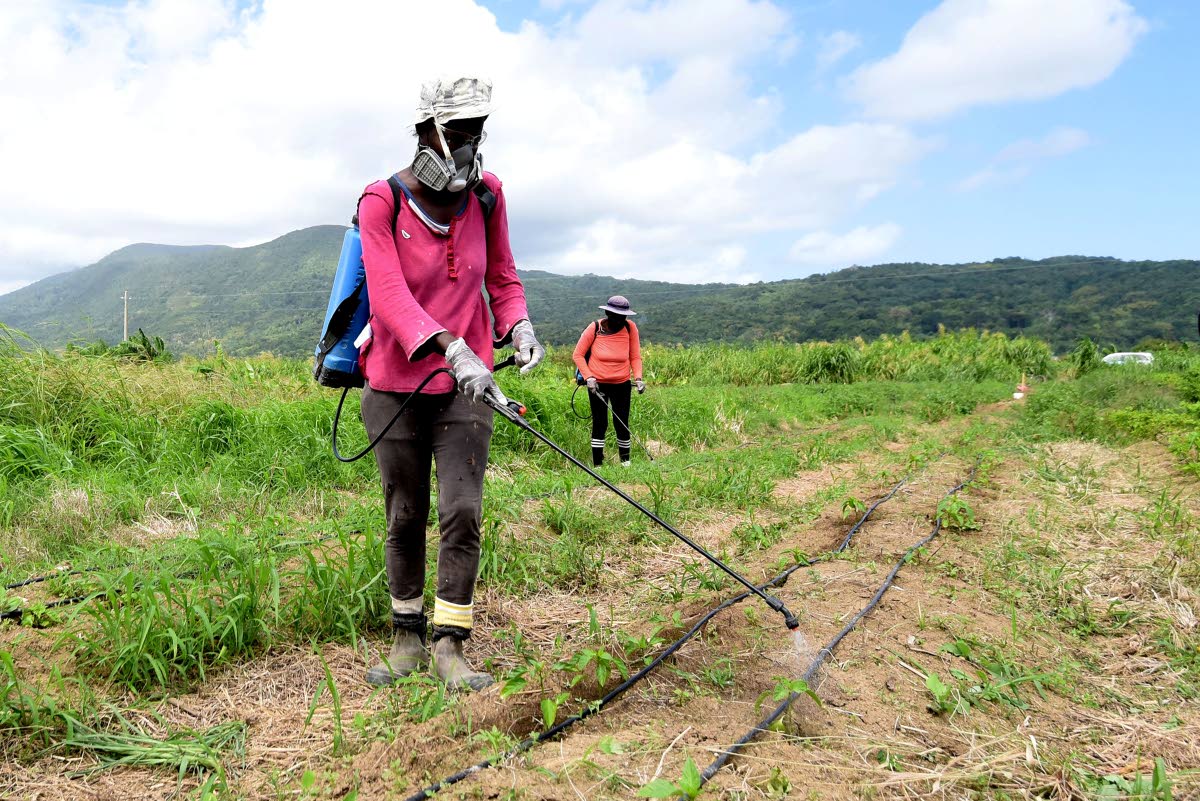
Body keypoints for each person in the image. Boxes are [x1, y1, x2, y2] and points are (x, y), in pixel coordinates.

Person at [356, 76, 544, 691]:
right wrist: (450, 345)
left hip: (469, 389)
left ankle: (450, 647)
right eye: (461, 132)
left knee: (462, 512)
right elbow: (386, 295)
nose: (470, 144)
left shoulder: (488, 196)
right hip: (396, 385)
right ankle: (405, 639)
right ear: (429, 132)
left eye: (478, 132)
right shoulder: (381, 201)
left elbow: (504, 276)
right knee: (405, 514)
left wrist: (517, 324)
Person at [572, 296, 645, 467]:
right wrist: (589, 377)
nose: (620, 320)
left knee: (622, 422)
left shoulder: (630, 328)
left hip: (622, 383)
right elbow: (578, 355)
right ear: (607, 313)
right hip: (598, 384)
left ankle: (626, 462)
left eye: (623, 316)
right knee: (600, 422)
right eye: (616, 316)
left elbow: (635, 356)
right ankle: (598, 465)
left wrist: (639, 378)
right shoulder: (595, 327)